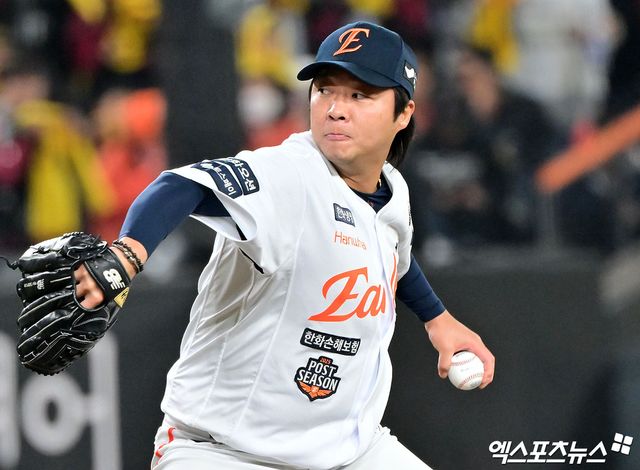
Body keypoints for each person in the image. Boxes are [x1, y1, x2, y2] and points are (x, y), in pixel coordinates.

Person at [74, 21, 494, 469]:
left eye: (360, 95)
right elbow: (178, 186)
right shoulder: (287, 174)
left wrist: (437, 319)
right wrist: (128, 253)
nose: (336, 109)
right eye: (325, 90)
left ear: (404, 113)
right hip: (226, 452)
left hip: (350, 450)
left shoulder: (392, 190)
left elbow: (394, 256)